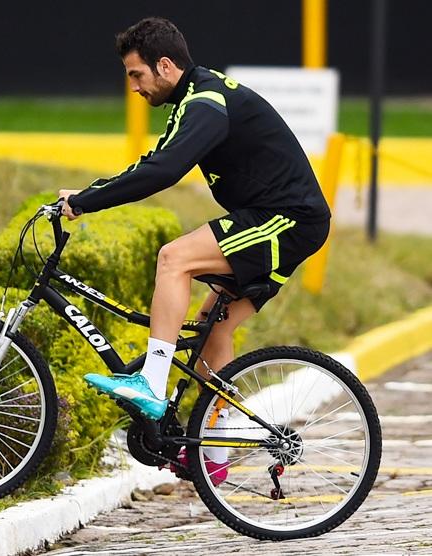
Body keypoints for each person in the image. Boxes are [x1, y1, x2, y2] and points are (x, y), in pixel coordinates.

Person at [59, 17, 330, 427]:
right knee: (213, 328)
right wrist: (89, 193)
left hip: (289, 218)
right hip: (277, 217)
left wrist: (86, 202)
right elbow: (152, 163)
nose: (134, 87)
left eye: (137, 74)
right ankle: (214, 455)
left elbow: (163, 171)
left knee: (174, 258)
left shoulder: (206, 101)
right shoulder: (196, 98)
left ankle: (151, 380)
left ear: (165, 66)